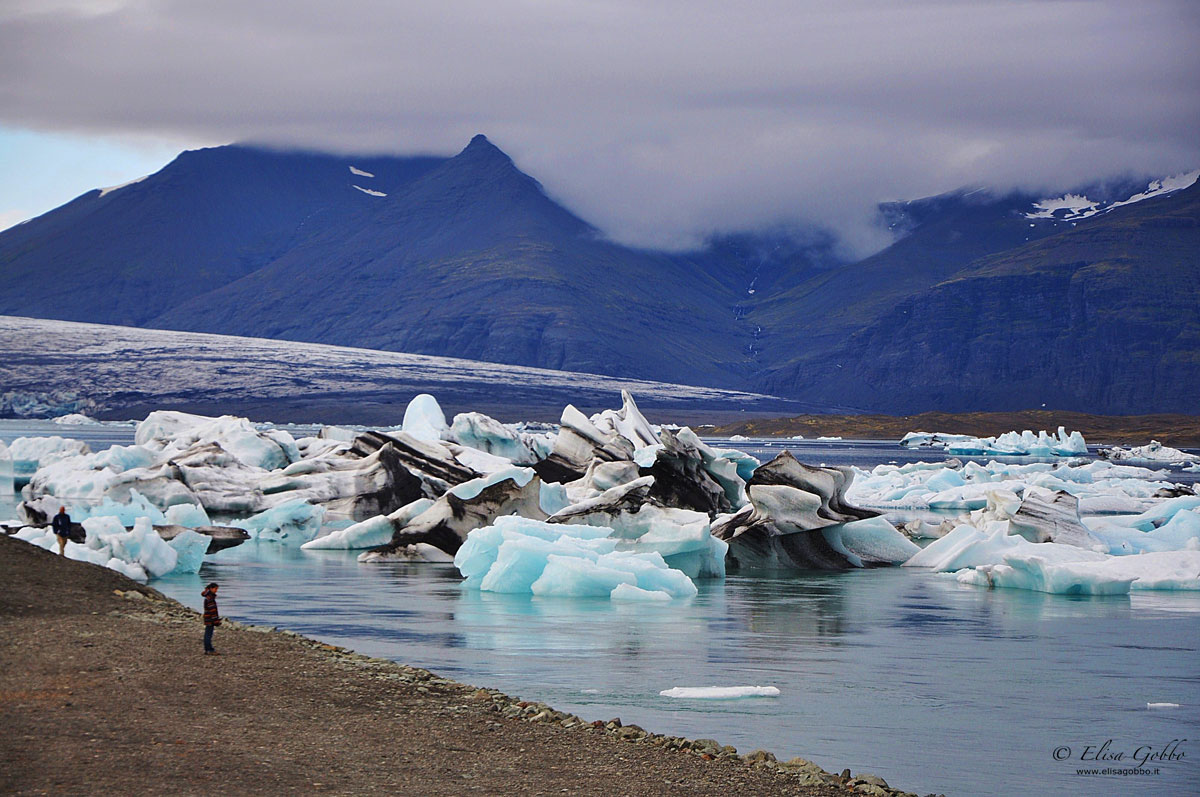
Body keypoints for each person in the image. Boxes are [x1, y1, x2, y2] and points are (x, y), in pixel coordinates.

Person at [202, 582, 221, 654]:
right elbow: (212, 610)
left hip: (207, 618)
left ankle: (208, 649)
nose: (216, 590)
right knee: (208, 634)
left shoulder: (208, 597)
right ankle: (209, 649)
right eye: (215, 588)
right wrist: (215, 620)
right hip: (209, 618)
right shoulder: (210, 598)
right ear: (211, 588)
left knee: (208, 633)